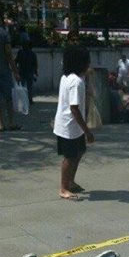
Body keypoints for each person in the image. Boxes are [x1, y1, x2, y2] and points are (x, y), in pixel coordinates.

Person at [53, 45, 94, 199]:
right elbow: (74, 109)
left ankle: (70, 181)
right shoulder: (76, 82)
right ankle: (63, 188)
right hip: (69, 127)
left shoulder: (68, 77)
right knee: (69, 157)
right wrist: (87, 131)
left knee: (80, 151)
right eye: (87, 62)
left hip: (71, 126)